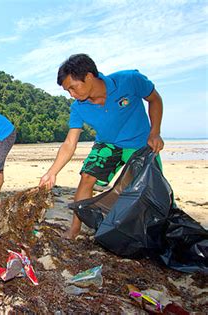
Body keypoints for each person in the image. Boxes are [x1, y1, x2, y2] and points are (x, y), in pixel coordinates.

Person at [39, 53, 164, 240]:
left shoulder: (130, 80)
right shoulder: (78, 107)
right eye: (68, 91)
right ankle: (74, 229)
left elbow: (155, 99)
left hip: (139, 144)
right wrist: (52, 171)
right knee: (86, 176)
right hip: (107, 144)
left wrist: (155, 132)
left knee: (148, 190)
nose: (72, 95)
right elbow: (69, 142)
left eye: (73, 88)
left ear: (89, 76)